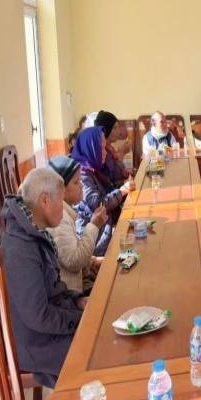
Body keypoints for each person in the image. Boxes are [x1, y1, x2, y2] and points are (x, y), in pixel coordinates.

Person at [0, 168, 87, 387]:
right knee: (98, 349)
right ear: (45, 200)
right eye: (61, 201)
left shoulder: (34, 232)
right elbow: (39, 316)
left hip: (45, 331)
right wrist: (80, 320)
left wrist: (78, 300)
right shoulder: (20, 249)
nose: (64, 208)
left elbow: (53, 289)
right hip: (36, 344)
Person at [47, 156, 108, 293]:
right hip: (70, 295)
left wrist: (92, 262)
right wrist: (94, 226)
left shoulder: (65, 211)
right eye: (76, 182)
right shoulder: (59, 218)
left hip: (77, 284)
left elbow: (70, 250)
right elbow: (74, 261)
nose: (81, 186)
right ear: (60, 190)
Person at [71, 126, 134, 255]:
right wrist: (122, 191)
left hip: (104, 231)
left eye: (105, 148)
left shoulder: (93, 167)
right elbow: (98, 206)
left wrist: (123, 186)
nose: (105, 152)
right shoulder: (82, 174)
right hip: (94, 242)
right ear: (91, 148)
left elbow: (108, 187)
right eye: (101, 148)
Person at [94, 110, 130, 187]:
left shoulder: (109, 147)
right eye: (114, 128)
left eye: (118, 127)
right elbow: (114, 175)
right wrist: (122, 152)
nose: (119, 132)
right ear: (106, 129)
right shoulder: (102, 150)